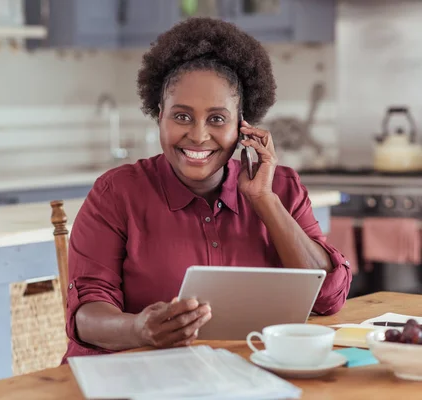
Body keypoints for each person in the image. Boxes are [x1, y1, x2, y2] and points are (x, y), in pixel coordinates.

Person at [61, 17, 352, 361]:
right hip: (138, 380)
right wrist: (139, 329)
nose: (198, 136)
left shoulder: (281, 189)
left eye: (217, 119)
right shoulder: (116, 194)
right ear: (160, 116)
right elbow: (85, 317)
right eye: (182, 116)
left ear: (243, 124)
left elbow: (329, 298)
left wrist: (265, 202)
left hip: (250, 377)